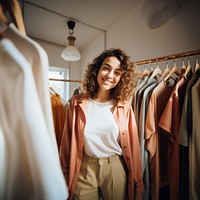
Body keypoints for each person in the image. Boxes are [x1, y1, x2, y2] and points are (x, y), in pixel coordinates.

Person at [60, 48, 144, 200]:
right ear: (97, 69)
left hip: (114, 167)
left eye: (117, 72)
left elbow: (134, 146)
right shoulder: (76, 103)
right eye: (106, 68)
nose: (110, 76)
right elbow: (66, 144)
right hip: (84, 168)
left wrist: (138, 183)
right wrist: (63, 176)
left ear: (121, 78)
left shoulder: (124, 106)